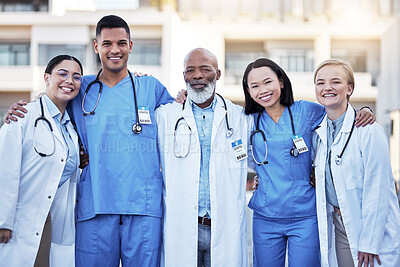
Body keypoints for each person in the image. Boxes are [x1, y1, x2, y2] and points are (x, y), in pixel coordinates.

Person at [3, 15, 174, 266]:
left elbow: (182, 120)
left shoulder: (151, 87)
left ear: (130, 46)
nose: (114, 50)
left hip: (143, 208)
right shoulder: (81, 87)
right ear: (96, 47)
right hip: (95, 207)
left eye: (121, 43)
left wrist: (183, 94)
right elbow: (52, 102)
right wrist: (21, 110)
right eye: (107, 43)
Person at [242, 58, 375, 267]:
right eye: (255, 86)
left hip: (305, 216)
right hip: (266, 215)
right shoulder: (247, 120)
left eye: (268, 82)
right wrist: (261, 174)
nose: (263, 90)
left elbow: (341, 114)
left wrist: (365, 109)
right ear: (249, 92)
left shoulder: (306, 111)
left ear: (281, 82)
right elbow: (245, 154)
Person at [156, 48, 251, 267]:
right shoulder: (165, 116)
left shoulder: (239, 117)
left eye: (205, 70)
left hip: (224, 223)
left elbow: (262, 158)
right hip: (182, 224)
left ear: (218, 74)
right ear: (184, 77)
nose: (197, 76)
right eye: (190, 71)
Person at [312, 59, 400, 267]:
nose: (327, 88)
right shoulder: (318, 132)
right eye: (320, 82)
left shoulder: (369, 131)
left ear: (350, 88)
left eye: (336, 82)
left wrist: (370, 242)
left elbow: (378, 190)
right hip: (339, 224)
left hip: (370, 228)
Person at [0, 55, 83, 267]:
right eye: (62, 74)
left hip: (53, 218)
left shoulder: (71, 128)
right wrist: (3, 221)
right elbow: (5, 168)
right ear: (46, 78)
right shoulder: (23, 116)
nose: (69, 81)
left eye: (76, 77)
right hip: (21, 220)